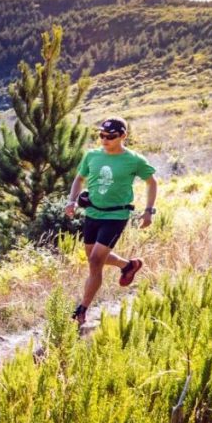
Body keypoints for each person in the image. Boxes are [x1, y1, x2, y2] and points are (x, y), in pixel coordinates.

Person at [65, 117, 157, 327]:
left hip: (116, 216)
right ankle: (128, 265)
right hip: (93, 214)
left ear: (123, 136)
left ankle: (82, 309)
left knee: (95, 260)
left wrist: (149, 211)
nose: (105, 140)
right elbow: (79, 179)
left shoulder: (134, 160)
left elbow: (152, 182)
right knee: (92, 256)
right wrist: (72, 201)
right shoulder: (92, 155)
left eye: (111, 136)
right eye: (102, 135)